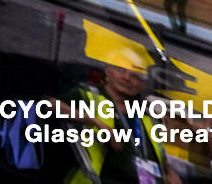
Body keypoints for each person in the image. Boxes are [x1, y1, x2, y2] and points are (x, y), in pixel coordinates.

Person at [57, 49, 178, 184]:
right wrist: (96, 122)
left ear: (142, 85)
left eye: (135, 75)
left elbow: (157, 152)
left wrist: (169, 171)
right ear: (108, 71)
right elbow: (48, 105)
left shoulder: (148, 112)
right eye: (121, 70)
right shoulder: (91, 96)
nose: (127, 77)